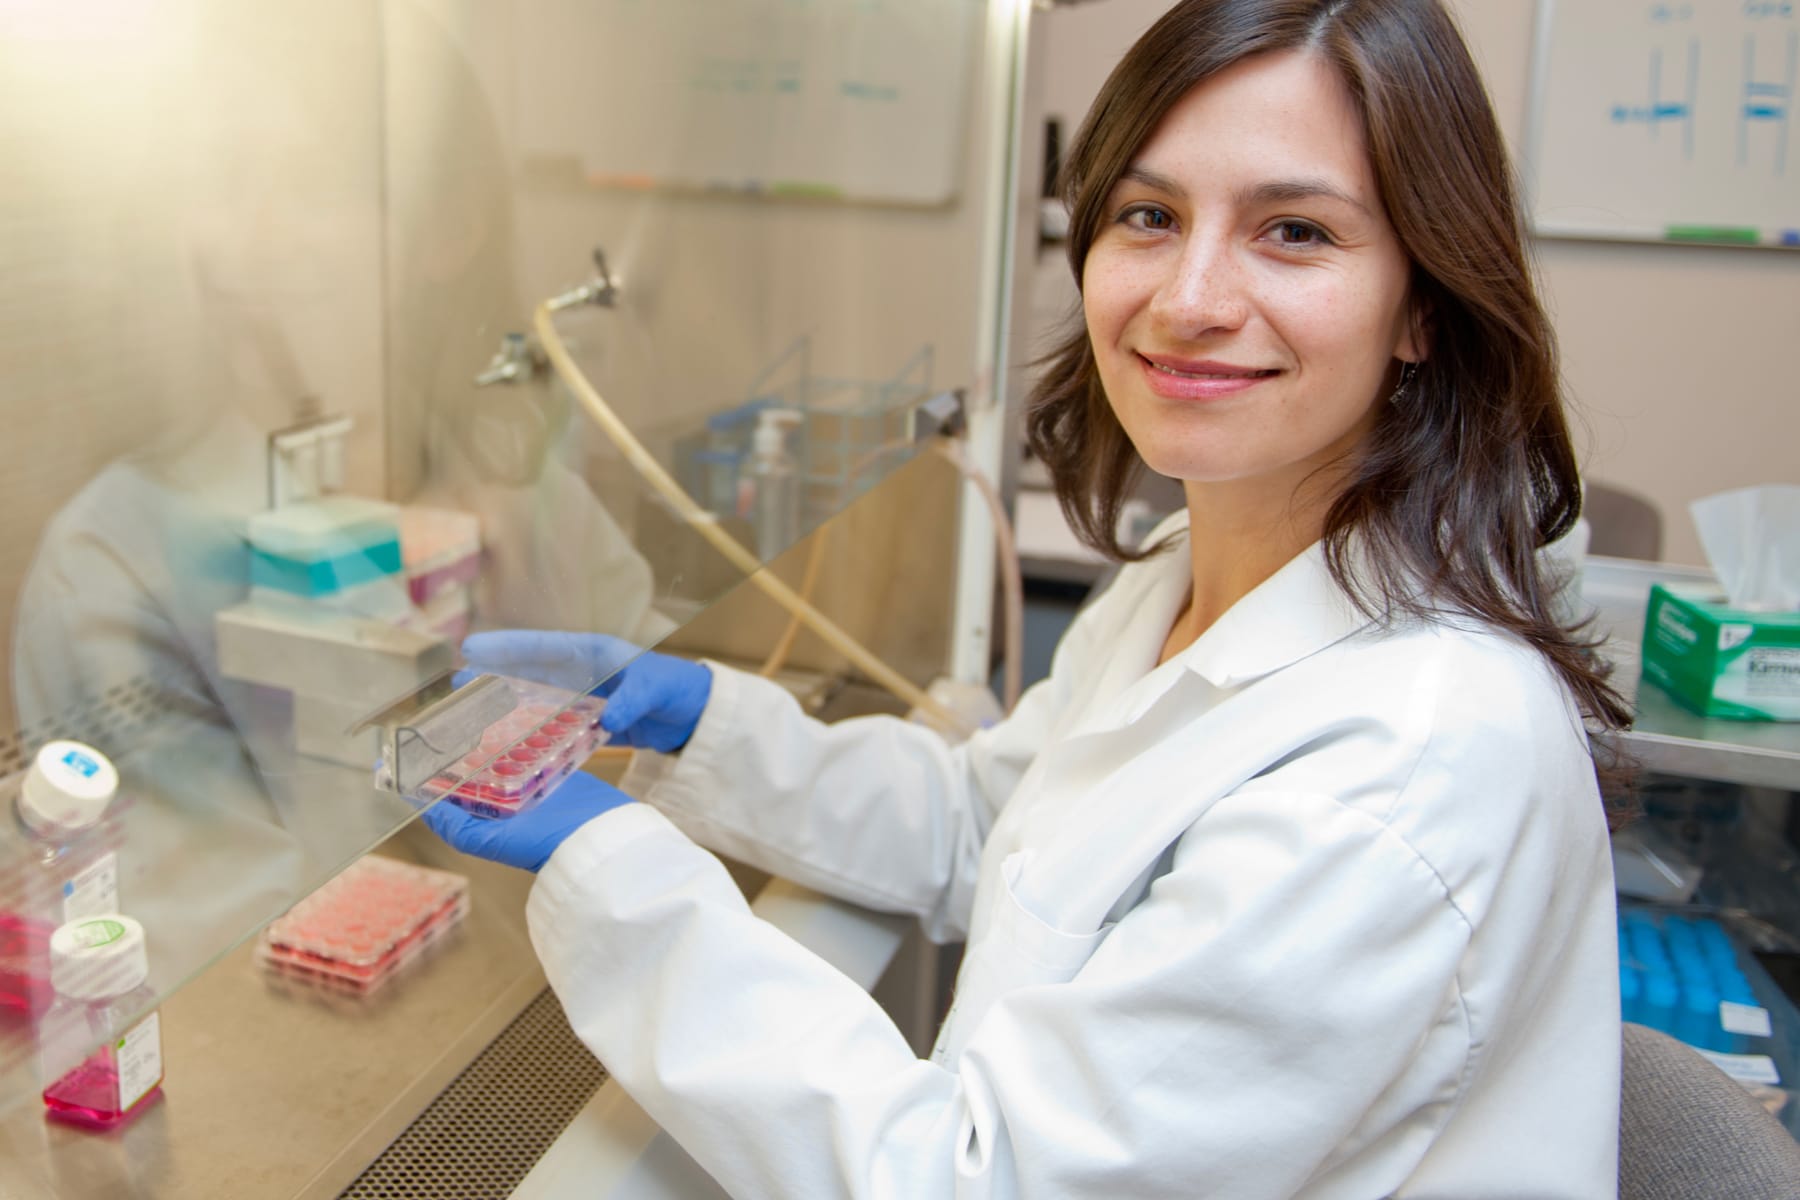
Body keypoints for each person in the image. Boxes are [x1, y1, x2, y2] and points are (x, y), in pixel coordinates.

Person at [424, 1, 1631, 1194]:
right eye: (1149, 216)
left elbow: (976, 1183)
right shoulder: (1184, 574)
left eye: (1297, 232)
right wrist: (700, 722)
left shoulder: (1405, 770)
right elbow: (991, 829)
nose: (1190, 297)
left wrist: (615, 873)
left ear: (1424, 303)